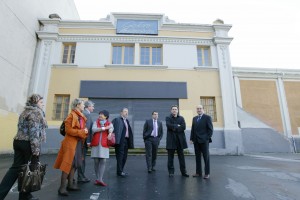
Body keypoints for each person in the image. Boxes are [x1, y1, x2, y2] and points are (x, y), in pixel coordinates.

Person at [0, 94, 47, 200]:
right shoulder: (35, 112)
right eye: (40, 102)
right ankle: (24, 196)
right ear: (35, 102)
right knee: (30, 169)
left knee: (15, 169)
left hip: (18, 141)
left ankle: (4, 194)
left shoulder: (25, 111)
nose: (42, 104)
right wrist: (36, 151)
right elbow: (34, 133)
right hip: (28, 144)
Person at [53, 98, 88, 196]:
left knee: (74, 164)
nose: (84, 106)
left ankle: (70, 185)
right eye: (82, 104)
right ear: (77, 105)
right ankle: (62, 188)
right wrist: (81, 132)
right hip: (70, 143)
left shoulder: (81, 116)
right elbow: (68, 130)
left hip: (78, 143)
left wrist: (85, 132)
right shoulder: (71, 115)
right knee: (67, 164)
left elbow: (81, 130)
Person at [90, 110, 113, 186]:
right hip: (96, 144)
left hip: (104, 144)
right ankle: (97, 178)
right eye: (99, 114)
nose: (100, 115)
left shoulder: (109, 123)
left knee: (103, 161)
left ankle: (100, 179)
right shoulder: (95, 122)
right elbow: (93, 129)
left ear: (106, 116)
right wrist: (104, 128)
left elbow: (111, 129)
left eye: (102, 114)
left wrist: (109, 133)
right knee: (96, 161)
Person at [190, 105, 213, 179]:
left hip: (204, 141)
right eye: (197, 109)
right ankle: (198, 172)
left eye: (200, 108)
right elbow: (193, 129)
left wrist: (206, 138)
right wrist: (191, 139)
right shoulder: (194, 118)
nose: (199, 110)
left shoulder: (207, 118)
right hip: (196, 141)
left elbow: (210, 130)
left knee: (206, 157)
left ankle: (207, 173)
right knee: (197, 157)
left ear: (203, 109)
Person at [165, 105, 189, 177]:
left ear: (177, 110)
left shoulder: (181, 118)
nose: (174, 110)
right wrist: (178, 126)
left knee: (181, 157)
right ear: (171, 110)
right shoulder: (168, 118)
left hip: (180, 141)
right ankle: (171, 172)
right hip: (171, 140)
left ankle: (183, 172)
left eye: (176, 109)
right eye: (173, 109)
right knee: (170, 158)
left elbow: (183, 127)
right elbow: (168, 125)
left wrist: (174, 127)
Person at [112, 108, 134, 177]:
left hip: (126, 141)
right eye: (125, 112)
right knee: (120, 157)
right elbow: (112, 128)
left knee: (124, 157)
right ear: (121, 113)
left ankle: (121, 170)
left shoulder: (126, 121)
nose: (126, 113)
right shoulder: (117, 119)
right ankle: (119, 171)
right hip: (120, 141)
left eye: (127, 112)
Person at [77, 100, 94, 183]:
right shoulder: (87, 114)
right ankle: (81, 177)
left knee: (80, 158)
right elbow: (86, 130)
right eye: (92, 106)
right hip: (83, 141)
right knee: (82, 159)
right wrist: (88, 141)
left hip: (81, 140)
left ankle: (80, 176)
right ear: (88, 107)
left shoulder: (84, 113)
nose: (93, 108)